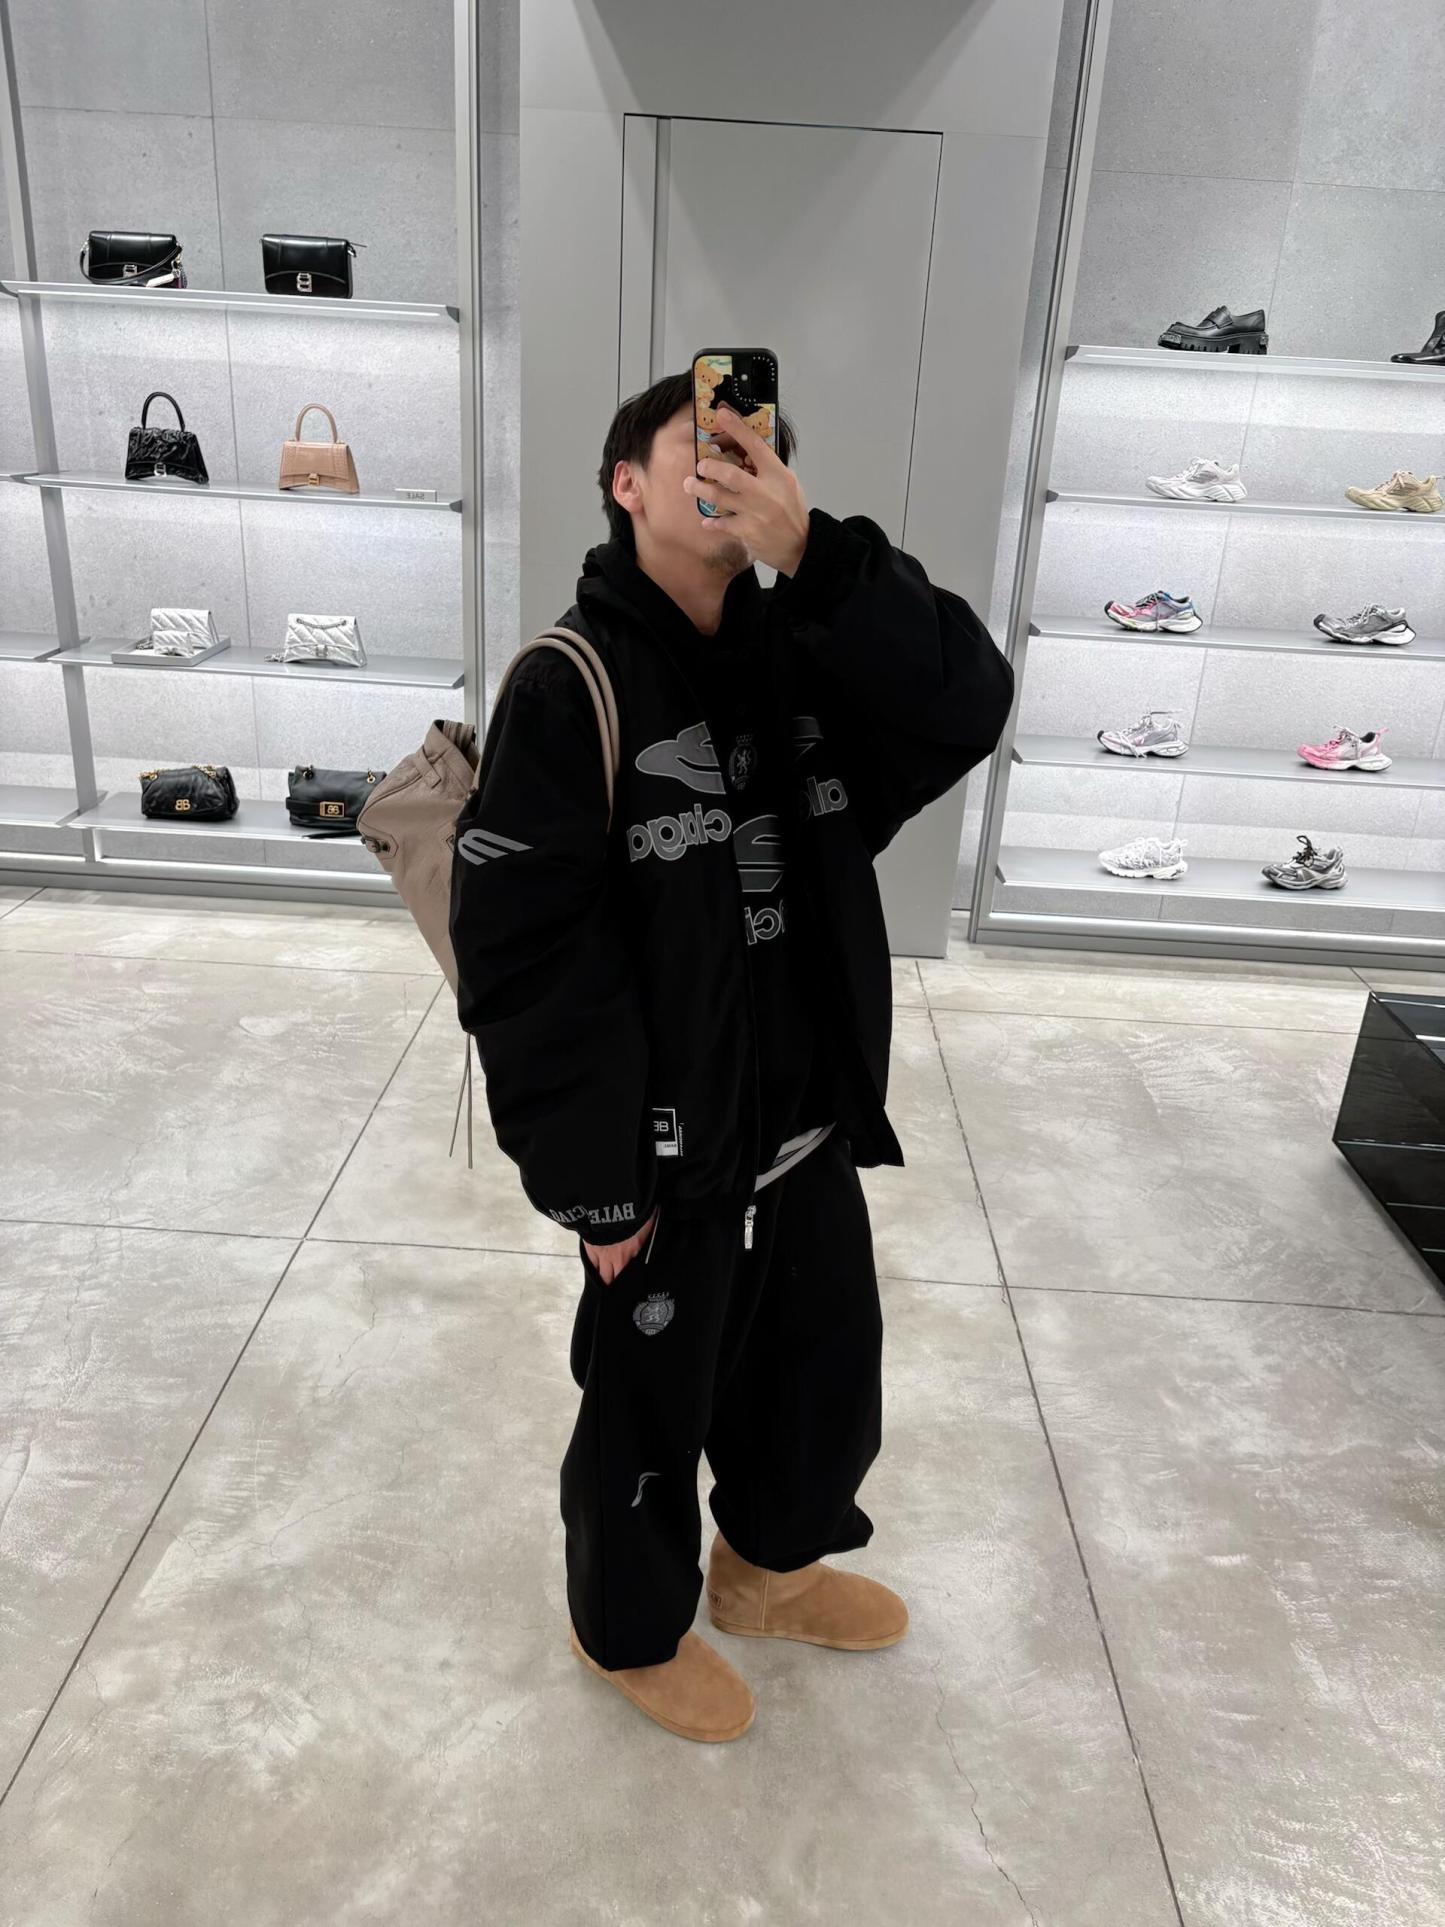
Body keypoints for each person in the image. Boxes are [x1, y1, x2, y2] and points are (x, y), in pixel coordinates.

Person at [449, 374, 1014, 1743]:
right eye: (697, 448)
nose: (728, 466)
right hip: (662, 1160)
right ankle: (627, 1630)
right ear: (624, 485)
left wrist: (821, 559)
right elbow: (525, 967)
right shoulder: (568, 685)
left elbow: (966, 701)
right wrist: (598, 1192)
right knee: (644, 1418)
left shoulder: (811, 655)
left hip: (803, 1127)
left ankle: (768, 1571)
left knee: (823, 1382)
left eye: (751, 450)